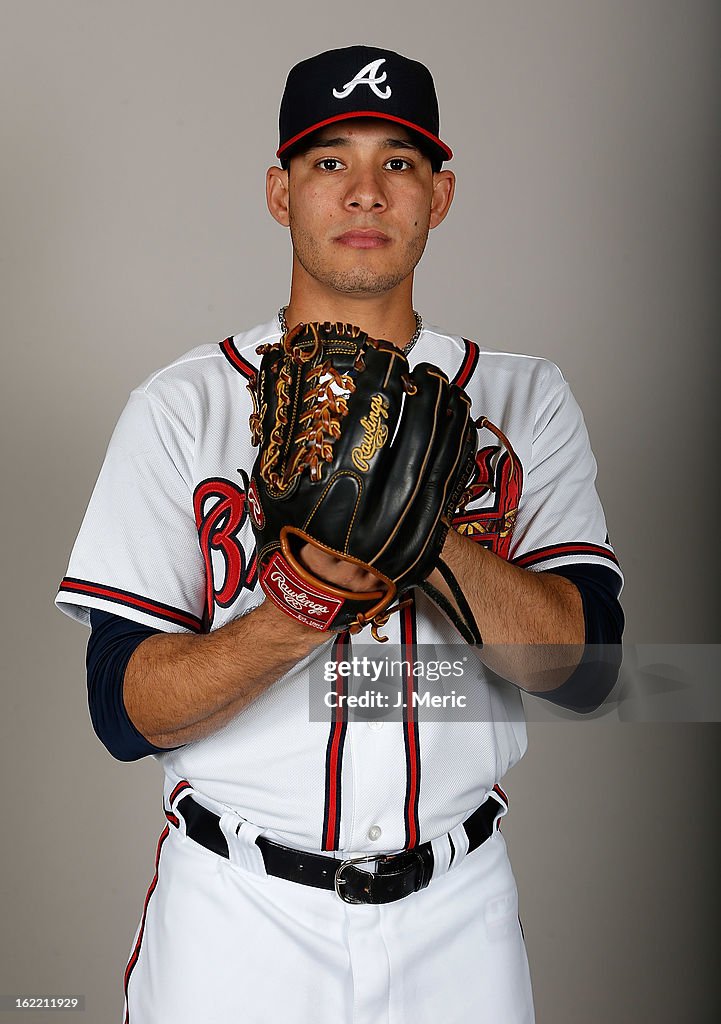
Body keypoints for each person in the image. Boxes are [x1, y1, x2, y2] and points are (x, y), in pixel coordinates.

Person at [56, 45, 623, 1024]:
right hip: (235, 920)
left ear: (438, 196)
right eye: (329, 162)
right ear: (279, 193)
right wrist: (300, 605)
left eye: (397, 163)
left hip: (458, 920)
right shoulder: (180, 408)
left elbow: (590, 667)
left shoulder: (523, 398)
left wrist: (430, 540)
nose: (365, 192)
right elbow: (120, 708)